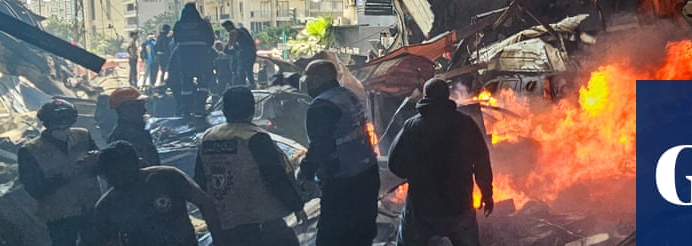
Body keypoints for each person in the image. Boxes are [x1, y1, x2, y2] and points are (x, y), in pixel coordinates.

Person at [388, 79, 494, 246]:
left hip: (422, 207)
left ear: (425, 96)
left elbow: (394, 163)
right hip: (459, 204)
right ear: (447, 95)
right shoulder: (466, 124)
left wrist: (415, 174)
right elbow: (482, 162)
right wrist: (487, 193)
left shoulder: (412, 126)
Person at [195, 86, 305, 245]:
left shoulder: (208, 137)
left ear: (224, 111)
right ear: (252, 110)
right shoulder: (255, 137)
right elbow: (275, 177)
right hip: (260, 221)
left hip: (224, 222)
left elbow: (200, 180)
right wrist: (295, 205)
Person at [296, 60, 379, 246]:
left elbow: (321, 147)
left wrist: (305, 171)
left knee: (332, 237)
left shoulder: (321, 105)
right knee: (361, 235)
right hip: (366, 174)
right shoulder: (347, 95)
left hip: (342, 182)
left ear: (319, 78)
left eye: (308, 75)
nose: (305, 80)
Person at [94, 141, 223, 246]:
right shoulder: (107, 205)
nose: (119, 180)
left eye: (123, 172)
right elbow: (109, 241)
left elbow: (205, 203)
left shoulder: (166, 176)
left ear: (138, 163)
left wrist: (219, 240)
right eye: (112, 175)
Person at [18, 99, 101, 246]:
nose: (62, 122)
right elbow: (34, 189)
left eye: (65, 117)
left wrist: (95, 161)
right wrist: (64, 176)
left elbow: (100, 165)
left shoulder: (83, 135)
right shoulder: (30, 150)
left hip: (90, 206)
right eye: (57, 119)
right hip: (59, 214)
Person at [168, 3, 216, 116]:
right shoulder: (203, 24)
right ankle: (200, 105)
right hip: (201, 54)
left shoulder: (179, 25)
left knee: (186, 81)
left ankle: (186, 108)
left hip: (184, 56)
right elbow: (210, 39)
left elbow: (176, 40)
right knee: (203, 80)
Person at [107, 87, 160, 167]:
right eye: (139, 107)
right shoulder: (120, 139)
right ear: (126, 109)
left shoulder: (139, 130)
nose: (144, 110)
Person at [221, 21, 258, 88]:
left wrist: (225, 49)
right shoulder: (243, 30)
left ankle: (242, 86)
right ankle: (252, 84)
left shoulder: (233, 32)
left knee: (241, 70)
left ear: (229, 26)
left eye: (226, 28)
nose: (226, 30)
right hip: (252, 52)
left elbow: (230, 44)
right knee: (248, 69)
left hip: (246, 53)